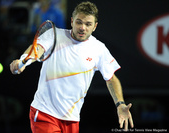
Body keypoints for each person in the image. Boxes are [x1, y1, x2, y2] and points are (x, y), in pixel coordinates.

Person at [10, 1, 134, 133]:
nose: (82, 28)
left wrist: (120, 104)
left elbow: (111, 78)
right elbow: (37, 49)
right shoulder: (53, 35)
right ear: (72, 21)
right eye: (79, 22)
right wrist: (23, 61)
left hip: (72, 119)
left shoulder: (99, 49)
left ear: (95, 26)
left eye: (88, 24)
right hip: (44, 113)